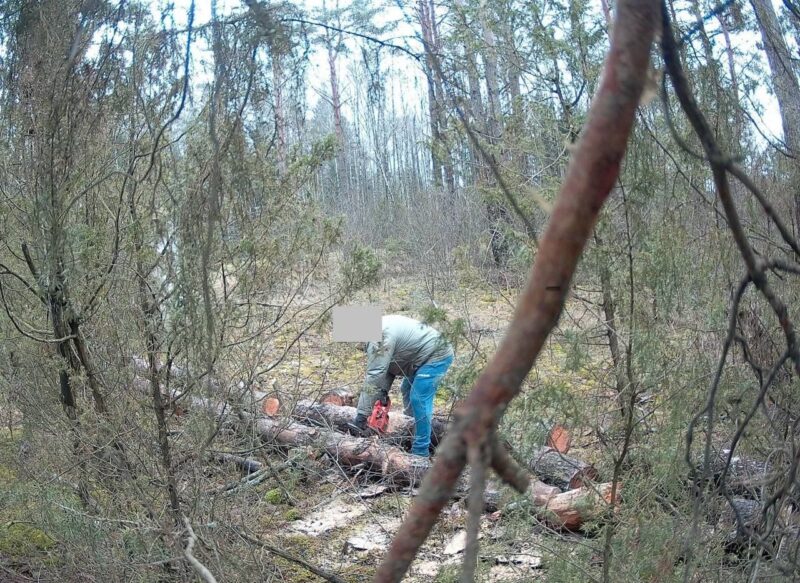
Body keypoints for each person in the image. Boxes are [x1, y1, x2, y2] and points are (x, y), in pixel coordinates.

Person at [349, 314, 454, 457]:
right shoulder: (378, 328)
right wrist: (382, 393)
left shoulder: (380, 336)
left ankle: (420, 452)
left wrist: (361, 415)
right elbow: (388, 367)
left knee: (419, 398)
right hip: (418, 355)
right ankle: (409, 429)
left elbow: (375, 373)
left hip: (437, 354)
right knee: (406, 388)